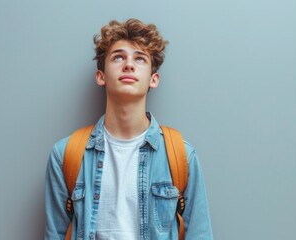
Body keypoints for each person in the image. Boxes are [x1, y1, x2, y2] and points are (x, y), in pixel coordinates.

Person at [44, 18, 213, 240]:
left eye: (140, 58)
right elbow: (54, 234)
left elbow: (200, 235)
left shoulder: (181, 156)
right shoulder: (66, 154)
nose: (129, 64)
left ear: (153, 79)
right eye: (118, 57)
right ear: (101, 76)